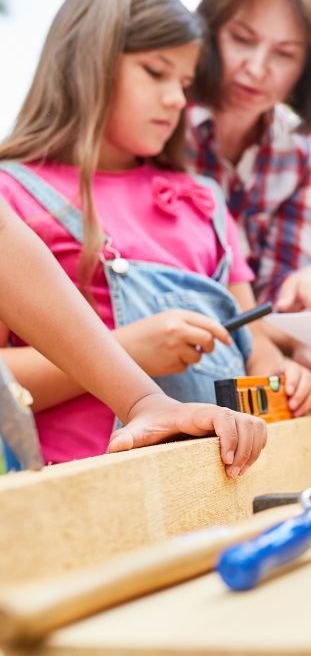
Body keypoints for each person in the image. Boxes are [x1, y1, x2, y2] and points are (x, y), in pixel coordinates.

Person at [0, 0, 311, 466]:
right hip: (90, 483)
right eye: (156, 72)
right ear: (87, 62)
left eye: (184, 83)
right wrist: (129, 349)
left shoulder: (204, 199)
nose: (176, 99)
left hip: (224, 482)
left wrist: (286, 377)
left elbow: (257, 348)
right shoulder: (13, 195)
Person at [0, 198, 266, 475]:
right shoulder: (18, 194)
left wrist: (146, 401)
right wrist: (133, 359)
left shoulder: (207, 199)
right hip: (82, 474)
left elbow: (4, 237)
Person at [185, 0, 311, 391]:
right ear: (209, 32)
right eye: (242, 39)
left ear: (307, 67)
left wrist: (303, 336)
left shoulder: (298, 156)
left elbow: (275, 298)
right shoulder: (160, 124)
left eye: (284, 54)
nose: (257, 67)